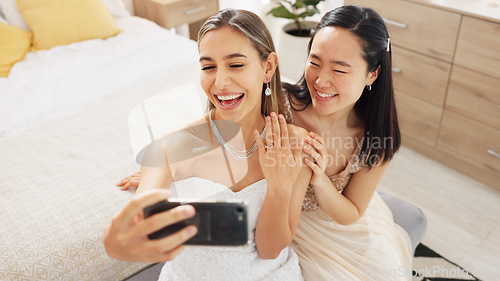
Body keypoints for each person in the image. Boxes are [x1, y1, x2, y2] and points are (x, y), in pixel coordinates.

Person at [106, 8, 312, 280]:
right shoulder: (170, 147)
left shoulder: (296, 145)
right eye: (208, 67)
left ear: (268, 67)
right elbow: (142, 225)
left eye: (236, 65)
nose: (220, 82)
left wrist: (279, 187)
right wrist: (129, 234)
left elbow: (270, 250)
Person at [284, 5, 413, 280]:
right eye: (315, 61)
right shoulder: (279, 104)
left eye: (339, 70)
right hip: (278, 215)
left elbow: (351, 212)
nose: (320, 81)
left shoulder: (375, 139)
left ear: (372, 75)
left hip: (333, 225)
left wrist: (320, 179)